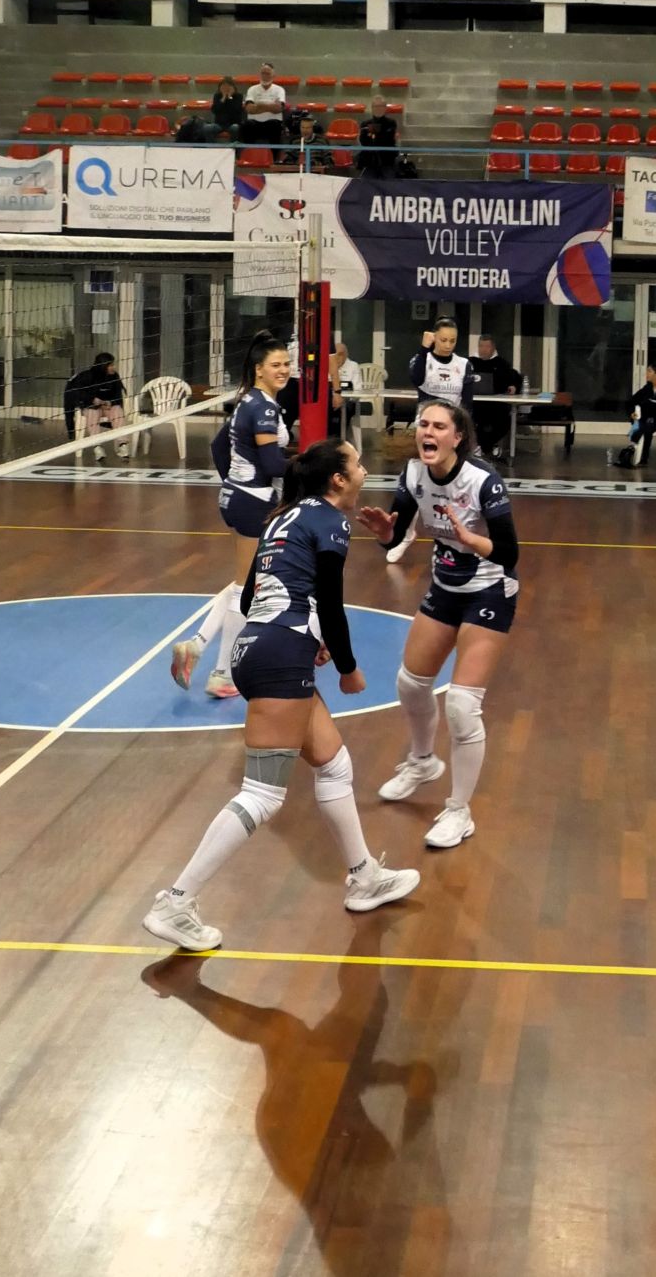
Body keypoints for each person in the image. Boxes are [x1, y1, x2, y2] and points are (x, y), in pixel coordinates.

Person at [145, 439, 421, 951]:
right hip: (281, 655)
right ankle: (176, 903)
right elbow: (332, 604)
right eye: (357, 464)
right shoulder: (330, 521)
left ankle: (364, 876)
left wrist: (302, 632)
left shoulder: (280, 519)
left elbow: (252, 594)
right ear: (338, 479)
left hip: (259, 648)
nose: (364, 470)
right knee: (263, 794)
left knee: (334, 765)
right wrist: (347, 667)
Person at [357, 401, 518, 849]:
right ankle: (423, 761)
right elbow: (397, 532)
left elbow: (509, 552)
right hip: (445, 586)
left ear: (457, 438)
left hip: (489, 590)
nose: (428, 432)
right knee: (410, 684)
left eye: (439, 426)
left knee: (462, 706)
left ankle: (459, 811)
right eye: (423, 424)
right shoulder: (413, 474)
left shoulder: (483, 481)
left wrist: (470, 539)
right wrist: (385, 535)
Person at [171, 330, 292, 699]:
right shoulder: (264, 408)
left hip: (238, 498)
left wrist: (234, 483)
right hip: (253, 502)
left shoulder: (247, 401)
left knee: (244, 580)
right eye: (276, 365)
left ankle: (196, 645)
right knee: (246, 588)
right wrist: (311, 465)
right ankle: (221, 674)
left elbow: (218, 446)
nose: (283, 370)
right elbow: (272, 464)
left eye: (286, 363)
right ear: (259, 369)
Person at [385, 319, 480, 565]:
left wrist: (465, 434)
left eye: (452, 340)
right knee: (417, 480)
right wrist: (423, 348)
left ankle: (452, 538)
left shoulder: (464, 365)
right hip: (426, 429)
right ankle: (406, 534)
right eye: (443, 339)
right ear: (434, 338)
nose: (448, 345)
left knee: (452, 483)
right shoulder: (422, 359)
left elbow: (467, 403)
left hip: (451, 432)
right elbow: (416, 379)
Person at [469, 334, 522, 458]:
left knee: (505, 421)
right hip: (475, 404)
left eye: (487, 346)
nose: (483, 349)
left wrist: (514, 387)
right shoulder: (469, 362)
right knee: (470, 419)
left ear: (493, 348)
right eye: (481, 346)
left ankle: (485, 446)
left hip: (496, 405)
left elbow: (515, 378)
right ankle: (483, 447)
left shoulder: (502, 364)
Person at [77, 352, 129, 462]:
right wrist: (92, 400)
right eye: (111, 365)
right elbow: (79, 394)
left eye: (113, 364)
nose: (113, 367)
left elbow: (118, 396)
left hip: (107, 407)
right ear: (103, 366)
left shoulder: (114, 376)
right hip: (91, 406)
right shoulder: (87, 376)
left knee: (117, 410)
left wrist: (110, 402)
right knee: (92, 412)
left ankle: (123, 445)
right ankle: (97, 447)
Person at [241, 62, 286, 147]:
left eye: (268, 74)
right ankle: (249, 153)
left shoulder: (279, 90)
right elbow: (249, 109)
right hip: (254, 123)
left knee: (275, 126)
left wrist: (259, 105)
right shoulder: (252, 89)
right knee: (246, 125)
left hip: (273, 123)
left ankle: (274, 155)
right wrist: (270, 106)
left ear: (273, 75)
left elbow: (278, 109)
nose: (265, 76)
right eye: (263, 73)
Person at [358, 96, 400, 179]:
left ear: (385, 108)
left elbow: (388, 140)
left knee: (389, 183)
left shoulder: (391, 123)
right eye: (376, 106)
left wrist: (373, 133)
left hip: (387, 160)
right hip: (369, 161)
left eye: (381, 106)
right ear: (372, 108)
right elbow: (364, 142)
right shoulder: (365, 124)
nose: (378, 108)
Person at [328, 340, 363, 441]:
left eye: (340, 355)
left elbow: (357, 388)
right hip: (330, 400)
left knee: (345, 409)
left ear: (345, 355)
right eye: (335, 355)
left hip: (348, 401)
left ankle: (338, 438)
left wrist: (342, 396)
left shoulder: (353, 366)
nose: (337, 358)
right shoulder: (328, 364)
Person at [202, 76, 243, 143]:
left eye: (228, 86)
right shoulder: (217, 96)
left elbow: (237, 110)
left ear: (233, 87)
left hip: (233, 123)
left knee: (236, 128)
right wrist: (223, 98)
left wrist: (229, 97)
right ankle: (212, 147)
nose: (226, 88)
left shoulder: (238, 96)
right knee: (207, 128)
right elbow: (215, 110)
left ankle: (233, 146)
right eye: (223, 86)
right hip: (219, 124)